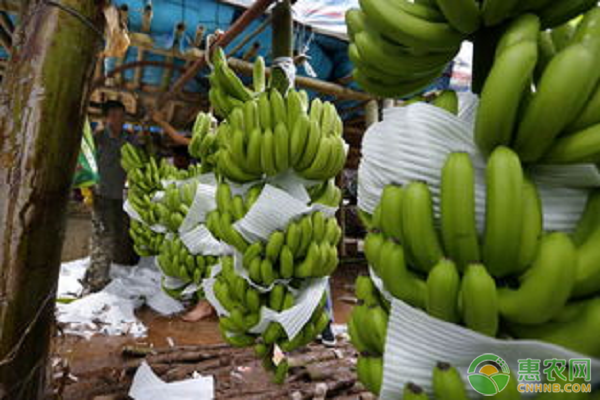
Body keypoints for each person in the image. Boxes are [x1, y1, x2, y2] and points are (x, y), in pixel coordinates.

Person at [83, 101, 140, 293]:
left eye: (122, 115)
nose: (119, 120)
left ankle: (98, 274)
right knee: (103, 237)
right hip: (101, 194)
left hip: (120, 197)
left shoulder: (129, 138)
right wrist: (88, 191)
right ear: (106, 118)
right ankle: (97, 282)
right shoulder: (98, 138)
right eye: (114, 115)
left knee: (118, 237)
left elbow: (139, 160)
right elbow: (86, 165)